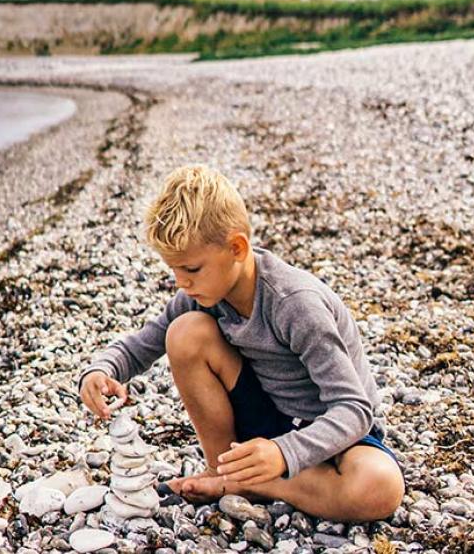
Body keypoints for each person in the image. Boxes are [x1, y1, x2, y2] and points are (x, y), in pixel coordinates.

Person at [76, 164, 404, 522]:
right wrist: (102, 370)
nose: (181, 283)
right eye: (174, 271)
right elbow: (141, 345)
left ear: (236, 247)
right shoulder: (203, 295)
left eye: (192, 269)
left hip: (333, 436)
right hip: (264, 423)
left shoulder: (295, 303)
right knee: (185, 332)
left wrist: (283, 453)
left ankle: (245, 482)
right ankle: (227, 470)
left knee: (379, 486)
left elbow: (354, 409)